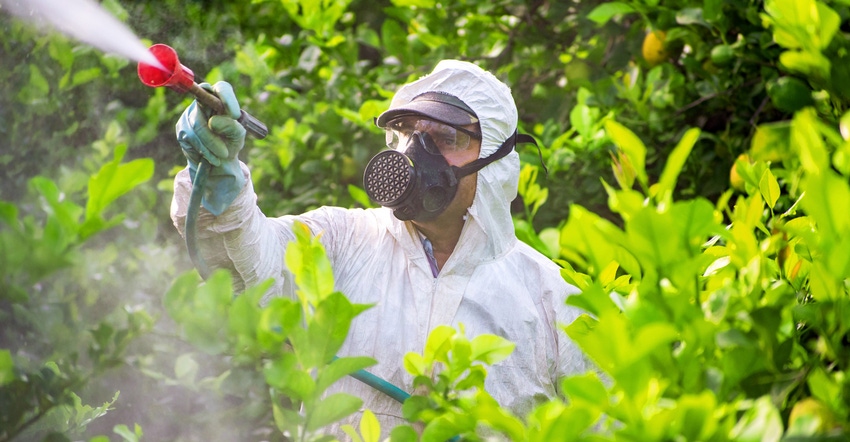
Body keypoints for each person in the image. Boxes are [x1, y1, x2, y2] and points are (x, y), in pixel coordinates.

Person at [171, 60, 589, 434]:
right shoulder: (341, 241)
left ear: (497, 161)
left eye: (446, 138)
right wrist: (219, 186)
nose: (415, 154)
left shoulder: (555, 300)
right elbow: (249, 266)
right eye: (408, 134)